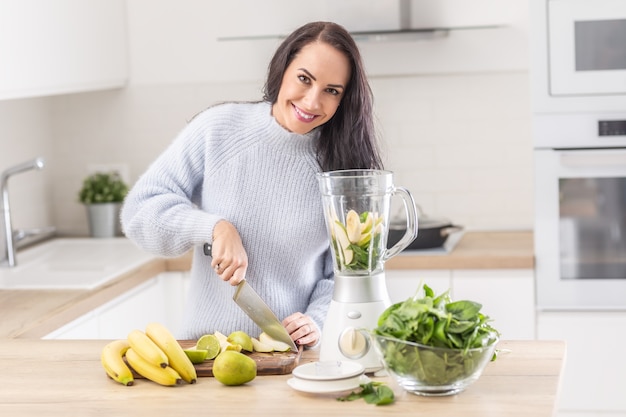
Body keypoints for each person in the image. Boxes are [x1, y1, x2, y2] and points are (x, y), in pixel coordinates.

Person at [121, 21, 383, 348]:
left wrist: (315, 320)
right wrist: (215, 228)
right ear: (282, 69)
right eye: (304, 79)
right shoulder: (218, 130)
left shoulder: (342, 167)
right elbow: (139, 212)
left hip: (291, 359)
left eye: (331, 91)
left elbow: (346, 274)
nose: (312, 102)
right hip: (206, 355)